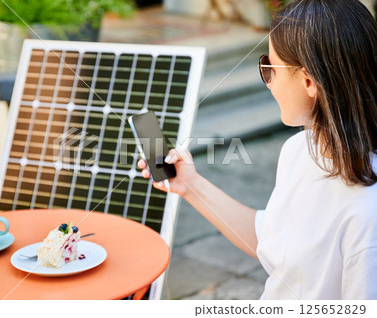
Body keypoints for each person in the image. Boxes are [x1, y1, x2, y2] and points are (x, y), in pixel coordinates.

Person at [138, 0, 377, 299]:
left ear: (307, 81)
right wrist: (190, 185)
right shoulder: (300, 150)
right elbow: (268, 239)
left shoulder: (367, 213)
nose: (267, 81)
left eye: (269, 67)